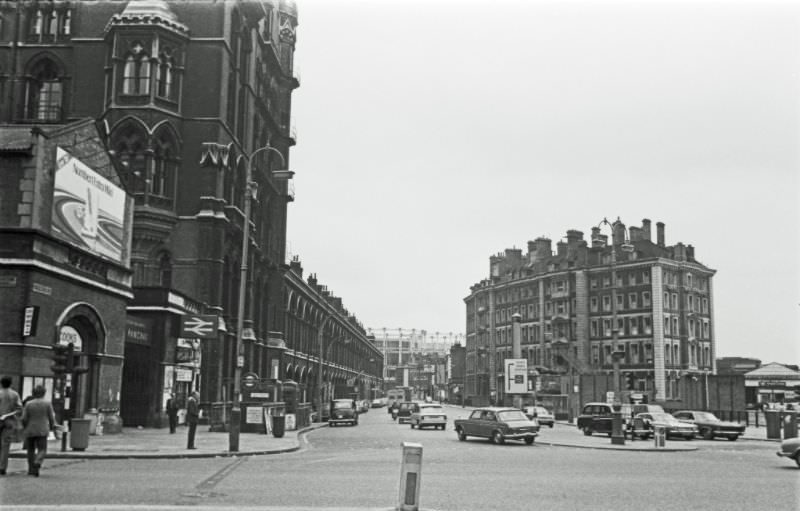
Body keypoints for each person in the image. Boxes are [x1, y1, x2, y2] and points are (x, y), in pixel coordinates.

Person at [21, 385, 55, 477]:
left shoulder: (29, 404)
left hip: (30, 429)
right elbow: (51, 417)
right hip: (42, 429)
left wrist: (25, 427)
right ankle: (37, 462)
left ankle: (31, 469)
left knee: (30, 450)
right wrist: (52, 427)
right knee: (42, 449)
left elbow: (24, 418)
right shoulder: (47, 403)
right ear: (44, 393)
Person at [0, 376, 22, 476]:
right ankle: (2, 467)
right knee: (5, 445)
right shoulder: (15, 394)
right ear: (11, 383)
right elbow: (19, 409)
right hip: (9, 421)